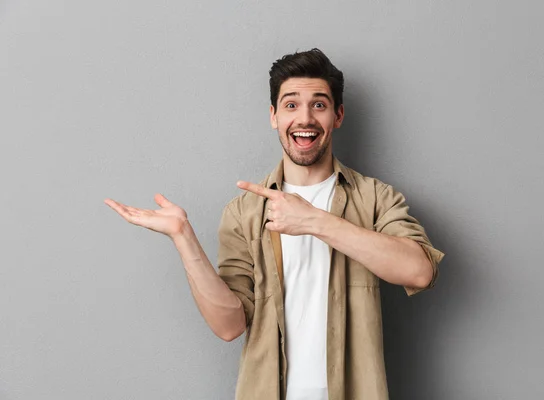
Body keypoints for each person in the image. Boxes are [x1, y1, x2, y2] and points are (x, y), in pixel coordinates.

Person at [104, 48, 445, 400]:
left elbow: (419, 271)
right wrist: (183, 237)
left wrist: (315, 221)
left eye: (319, 104)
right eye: (291, 105)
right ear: (274, 116)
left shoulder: (376, 198)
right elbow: (229, 326)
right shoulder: (244, 213)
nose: (305, 119)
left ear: (338, 115)